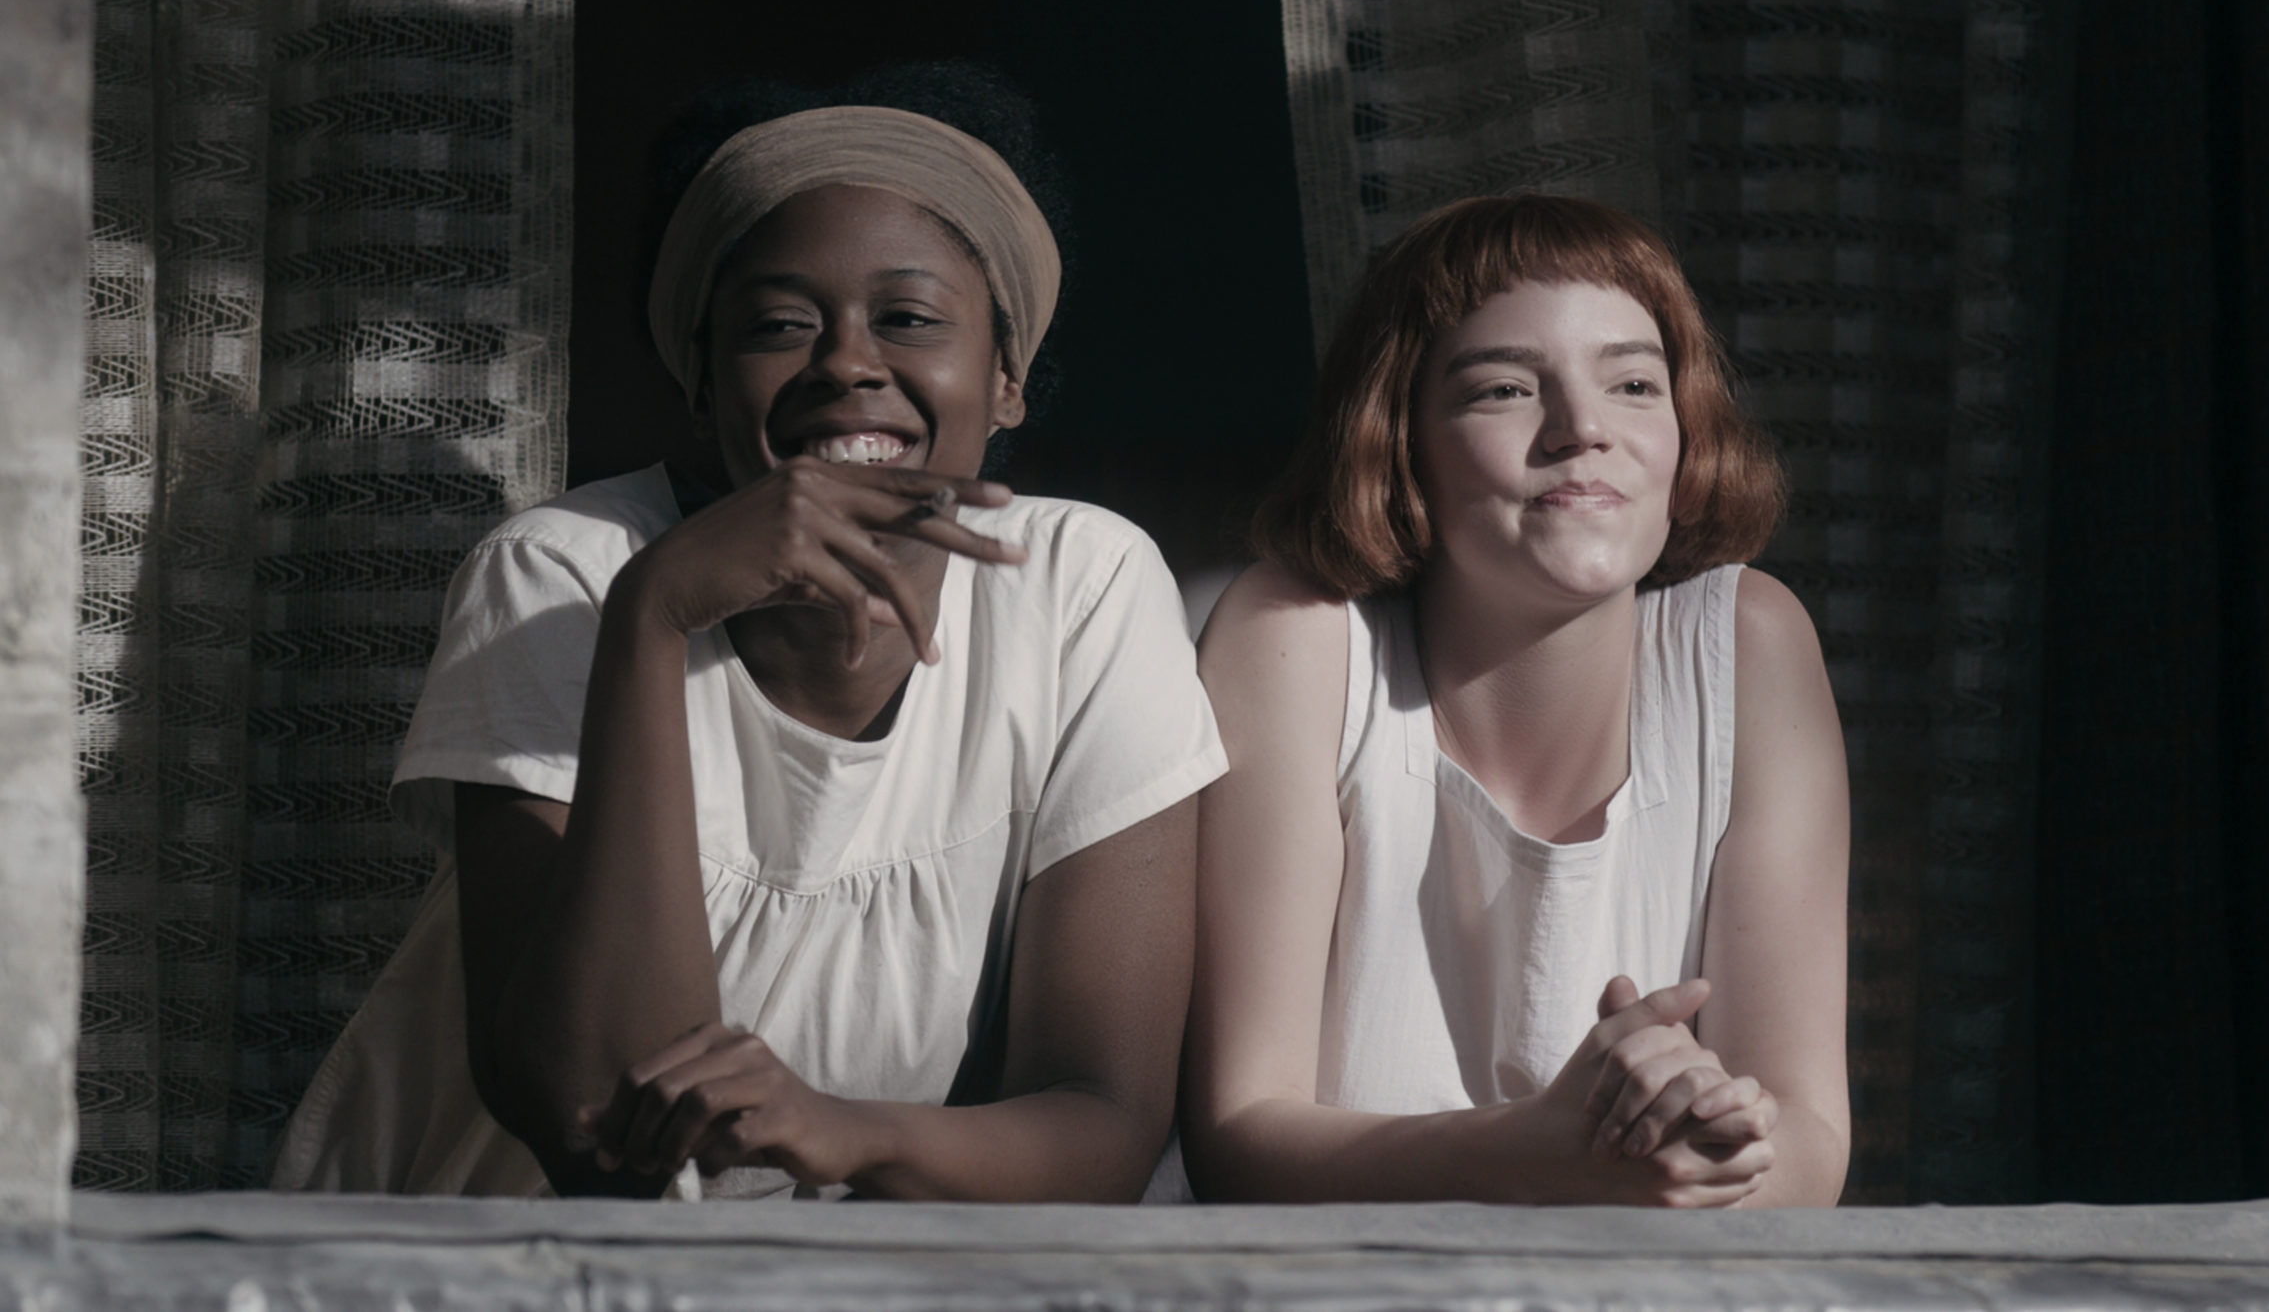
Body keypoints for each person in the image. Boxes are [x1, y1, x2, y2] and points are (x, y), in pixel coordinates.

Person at [271, 68, 1225, 1200]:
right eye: (778, 326)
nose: (846, 364)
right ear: (698, 379)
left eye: (910, 320)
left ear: (1008, 380)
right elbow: (594, 1134)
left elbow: (1099, 1131)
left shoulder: (1080, 586)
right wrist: (654, 614)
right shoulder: (563, 572)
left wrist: (845, 1132)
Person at [1181, 194, 1850, 1206]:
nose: (1583, 431)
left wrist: (1710, 1151)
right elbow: (1239, 1140)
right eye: (1502, 389)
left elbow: (1807, 1147)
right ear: (1398, 435)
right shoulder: (1295, 638)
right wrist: (1547, 1156)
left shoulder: (1751, 642)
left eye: (1632, 382)